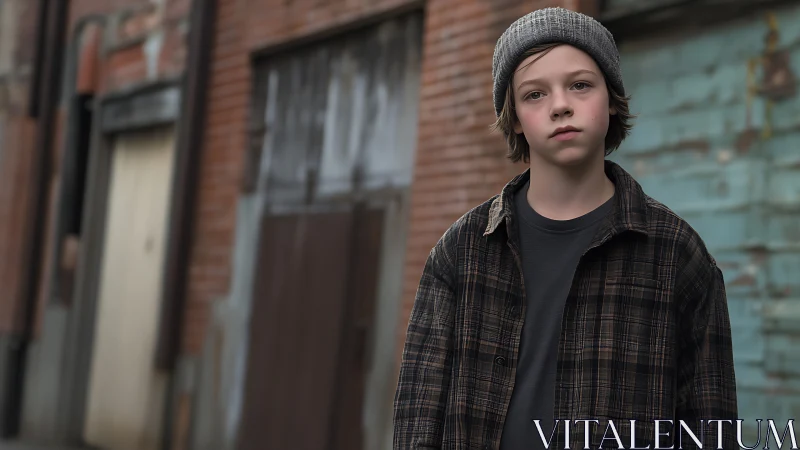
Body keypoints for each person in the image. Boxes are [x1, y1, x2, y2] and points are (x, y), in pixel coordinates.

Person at [393, 7, 737, 450]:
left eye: (580, 85)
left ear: (611, 99)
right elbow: (417, 420)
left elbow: (711, 426)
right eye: (534, 94)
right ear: (514, 116)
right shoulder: (459, 251)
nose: (560, 106)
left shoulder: (677, 253)